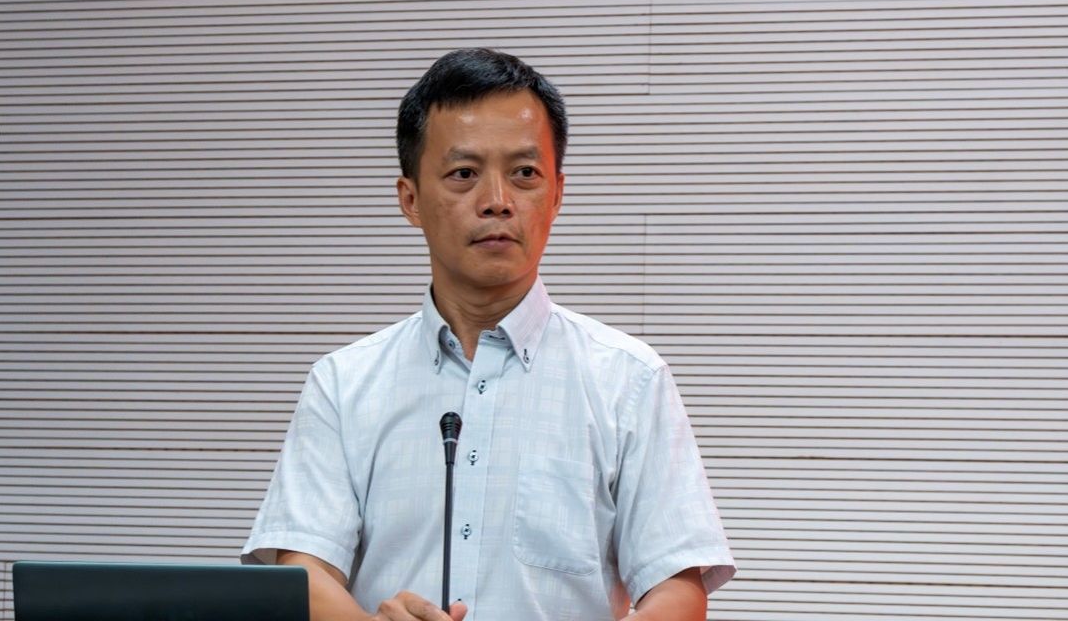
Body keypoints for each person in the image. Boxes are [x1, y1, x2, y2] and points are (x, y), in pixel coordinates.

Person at [242, 48, 735, 621]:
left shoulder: (629, 379)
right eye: (464, 174)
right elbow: (303, 570)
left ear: (557, 194)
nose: (497, 202)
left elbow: (677, 589)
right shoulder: (344, 383)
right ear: (410, 200)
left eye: (524, 174)